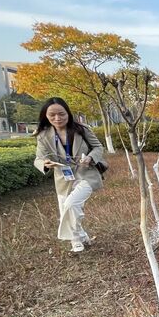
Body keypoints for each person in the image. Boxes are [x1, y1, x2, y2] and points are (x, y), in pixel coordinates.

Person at [33, 97, 106, 253]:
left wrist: (90, 158)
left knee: (71, 204)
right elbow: (39, 158)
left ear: (68, 113)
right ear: (45, 115)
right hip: (63, 177)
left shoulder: (82, 129)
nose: (57, 118)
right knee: (67, 208)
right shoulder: (43, 135)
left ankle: (72, 237)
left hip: (85, 174)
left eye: (61, 114)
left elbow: (98, 147)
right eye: (52, 115)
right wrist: (45, 164)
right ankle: (79, 237)